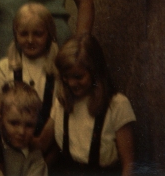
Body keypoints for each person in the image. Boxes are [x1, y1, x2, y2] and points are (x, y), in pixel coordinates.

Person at [37, 34, 136, 175]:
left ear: (95, 72)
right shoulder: (62, 102)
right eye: (66, 76)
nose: (71, 83)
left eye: (78, 77)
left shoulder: (117, 104)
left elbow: (129, 165)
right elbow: (42, 143)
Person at [0, 2, 59, 136]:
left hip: (45, 139)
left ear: (49, 34)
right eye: (23, 34)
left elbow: (58, 114)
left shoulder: (57, 68)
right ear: (15, 35)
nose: (30, 40)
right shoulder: (5, 66)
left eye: (38, 34)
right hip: (12, 139)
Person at [0, 81, 48, 176]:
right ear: (1, 119)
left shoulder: (35, 161)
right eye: (14, 123)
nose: (21, 132)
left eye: (29, 125)